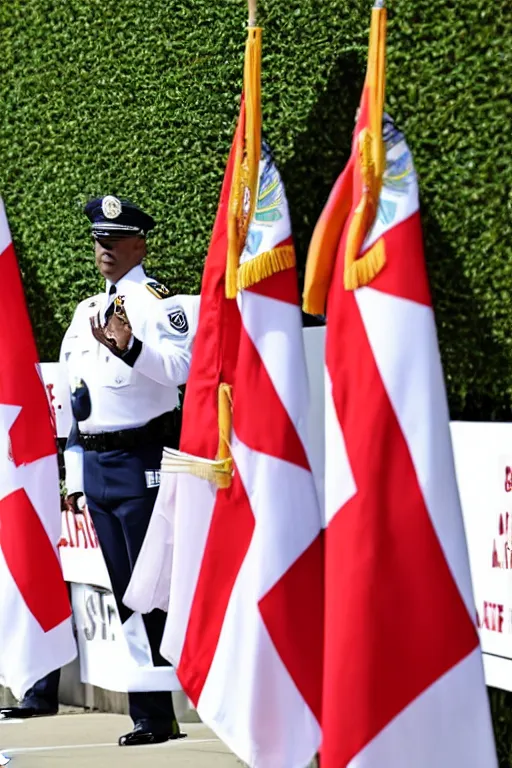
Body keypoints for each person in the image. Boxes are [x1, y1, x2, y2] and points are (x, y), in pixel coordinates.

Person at [1, 196, 198, 746]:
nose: (104, 250)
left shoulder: (158, 302)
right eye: (98, 240)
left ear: (139, 244)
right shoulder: (86, 306)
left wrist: (131, 347)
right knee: (120, 590)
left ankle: (165, 707)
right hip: (101, 462)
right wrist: (77, 473)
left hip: (144, 460)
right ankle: (148, 713)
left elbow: (182, 369)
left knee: (149, 589)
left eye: (115, 240)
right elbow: (77, 398)